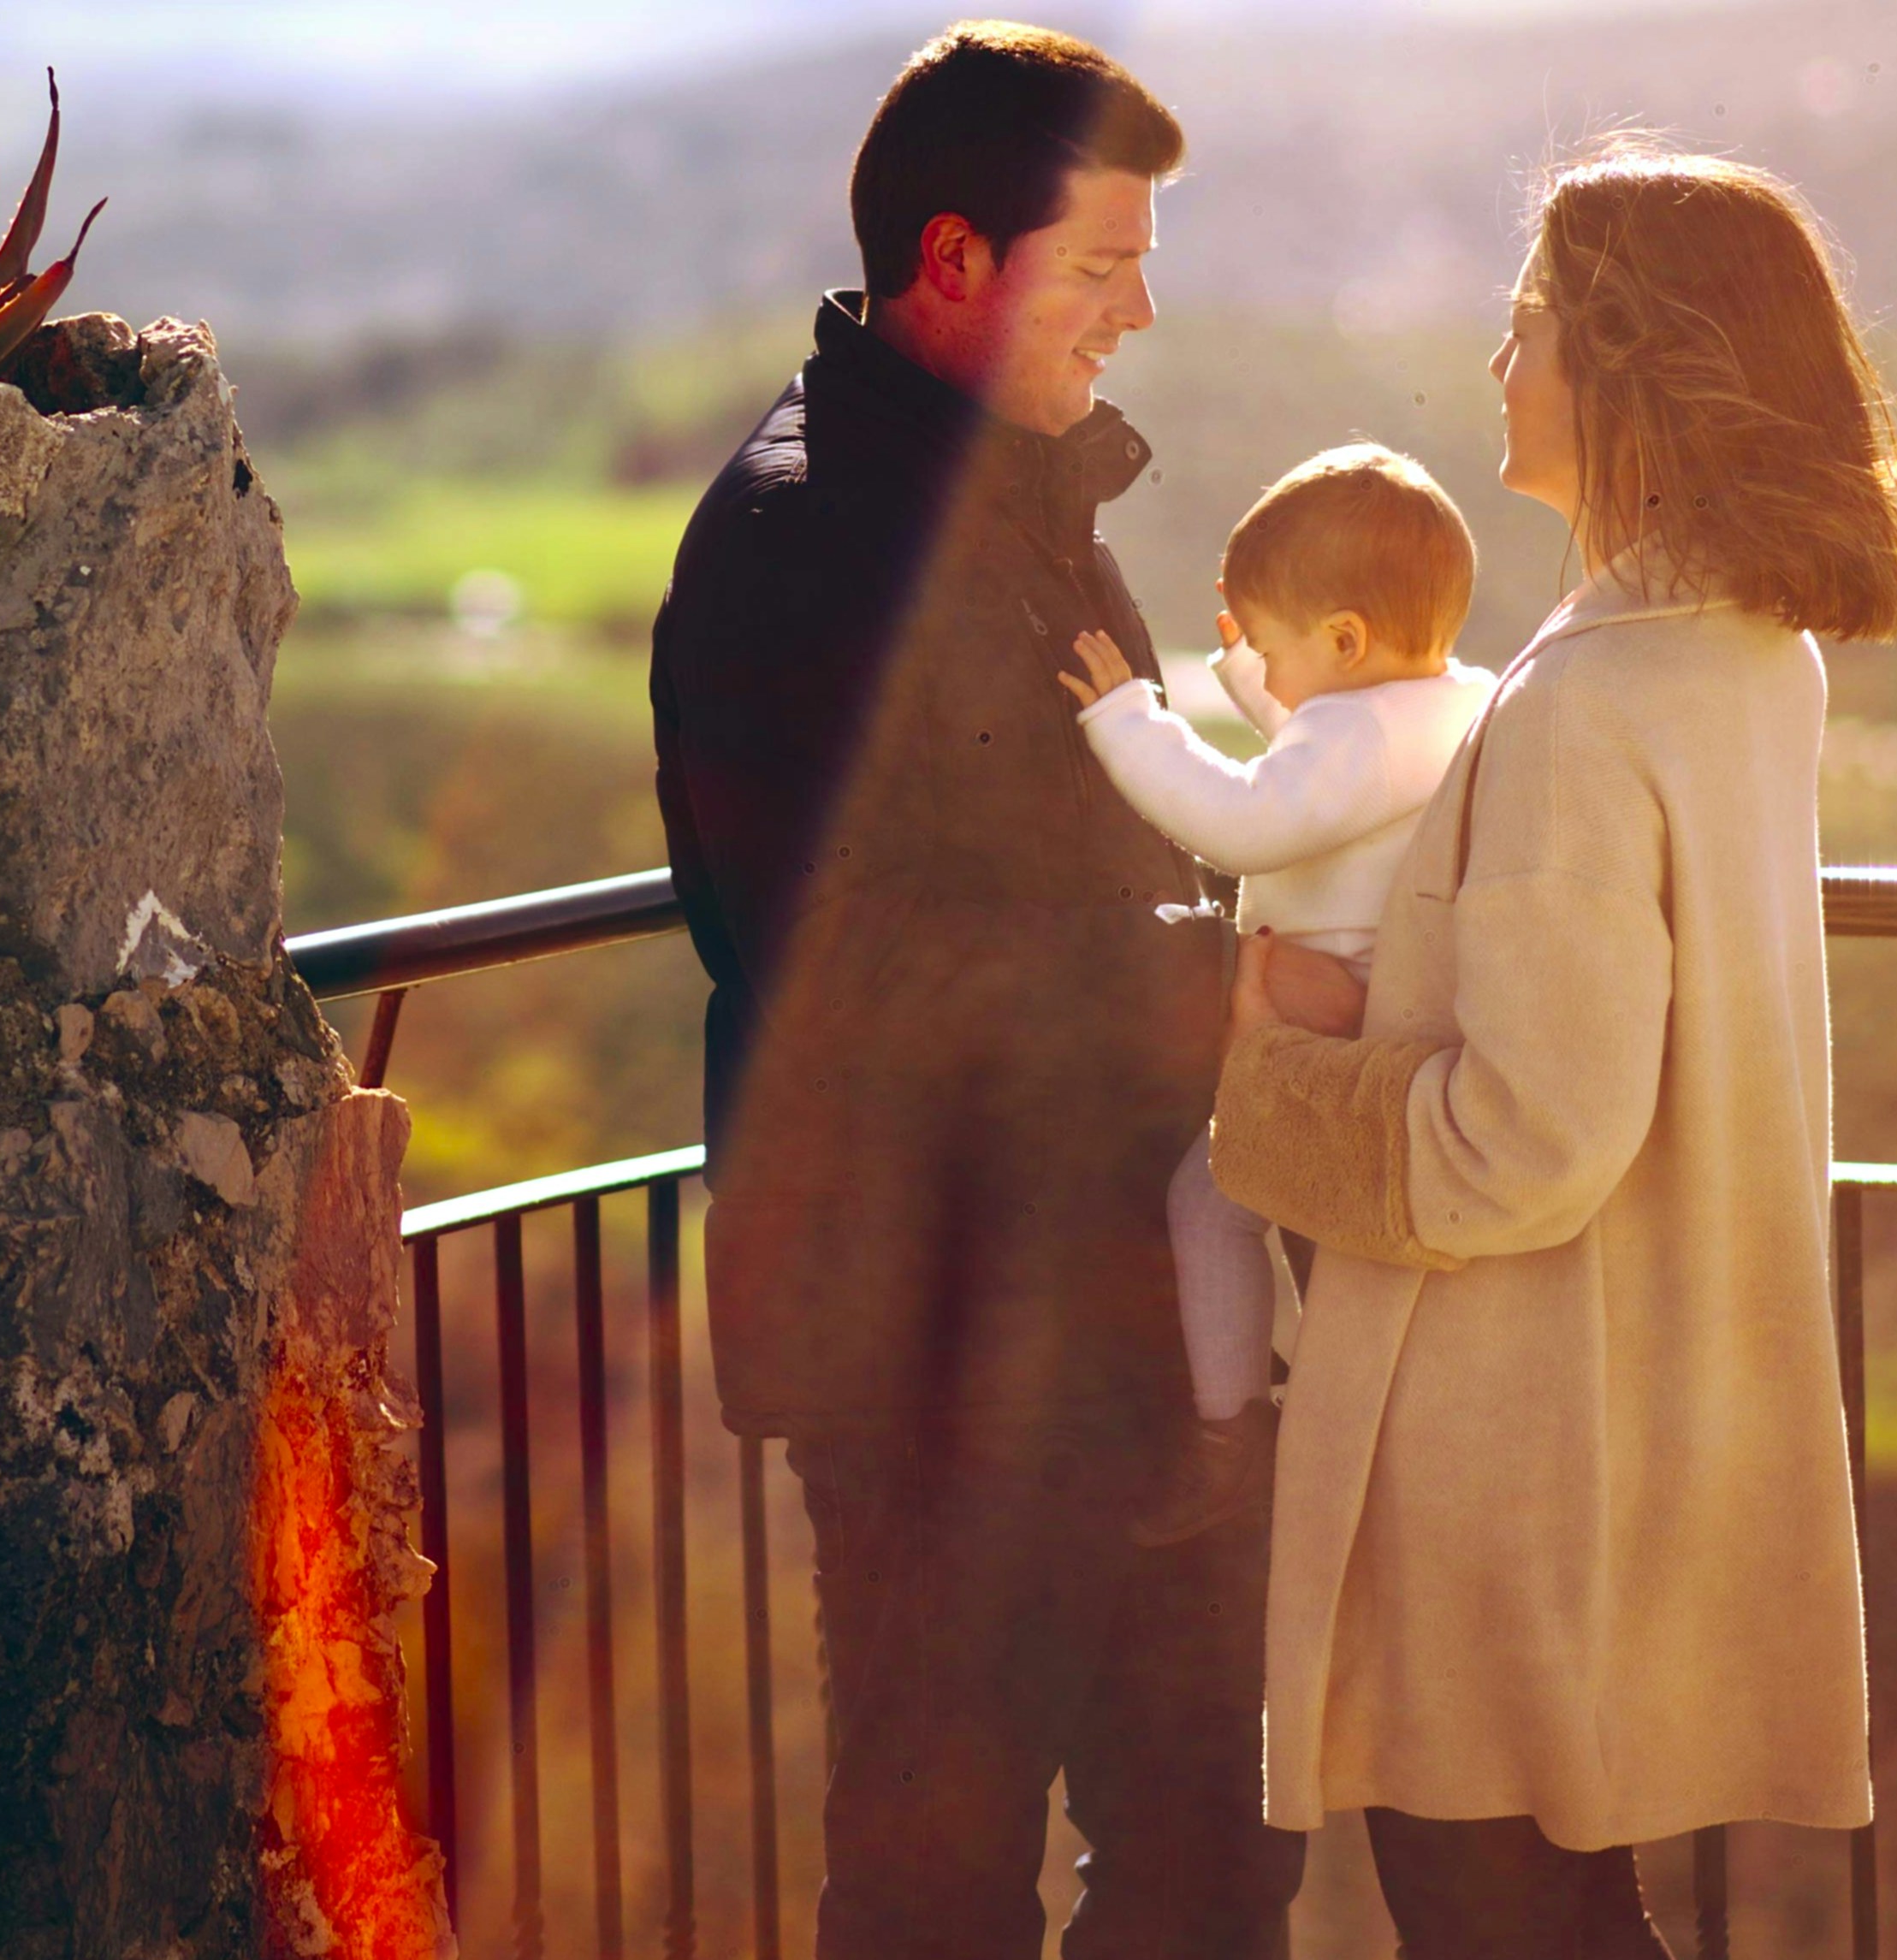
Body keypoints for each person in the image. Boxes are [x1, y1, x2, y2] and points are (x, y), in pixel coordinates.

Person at [1206, 139, 1897, 1957]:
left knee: (1499, 1913)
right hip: (1633, 1401)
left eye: (1525, 323)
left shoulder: (1578, 709)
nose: (1494, 365)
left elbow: (1516, 1141)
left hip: (1504, 1441)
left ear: (1621, 362)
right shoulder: (1747, 655)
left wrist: (1278, 1070)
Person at [649, 21, 1298, 1959]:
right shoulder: (806, 544)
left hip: (1096, 1318)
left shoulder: (1004, 504)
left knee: (1204, 1856)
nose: (1140, 310)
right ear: (951, 261)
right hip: (931, 1341)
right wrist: (1228, 995)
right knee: (940, 1887)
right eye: (1099, 265)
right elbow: (850, 957)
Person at [1054, 444, 1496, 1545]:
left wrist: (1128, 721)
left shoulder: (1357, 729)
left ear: (1346, 640)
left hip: (1320, 1025)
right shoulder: (1447, 701)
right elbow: (1322, 753)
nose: (1263, 670)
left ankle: (1229, 1433)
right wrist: (1268, 672)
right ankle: (1274, 1400)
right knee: (1265, 1217)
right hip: (1386, 1021)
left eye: (1278, 647)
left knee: (1212, 1202)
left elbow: (1248, 817)